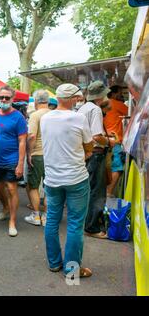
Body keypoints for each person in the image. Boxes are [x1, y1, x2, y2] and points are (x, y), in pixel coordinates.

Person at [41, 83, 94, 278]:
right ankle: (72, 270)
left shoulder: (45, 118)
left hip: (52, 179)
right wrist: (83, 153)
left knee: (52, 221)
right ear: (72, 98)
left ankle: (55, 263)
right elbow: (89, 146)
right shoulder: (78, 117)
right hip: (76, 179)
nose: (79, 101)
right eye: (77, 98)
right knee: (75, 224)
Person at [78, 81, 113, 239]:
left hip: (86, 153)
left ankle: (87, 223)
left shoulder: (83, 108)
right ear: (101, 95)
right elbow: (96, 136)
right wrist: (110, 141)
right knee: (97, 192)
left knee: (89, 189)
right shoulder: (95, 109)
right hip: (96, 153)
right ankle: (91, 227)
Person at [0, 85, 27, 237]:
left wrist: (20, 163)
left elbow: (22, 141)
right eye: (1, 97)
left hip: (12, 159)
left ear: (12, 99)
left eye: (7, 97)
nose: (4, 100)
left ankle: (12, 221)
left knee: (11, 189)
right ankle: (5, 207)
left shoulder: (18, 117)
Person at [24, 90, 50, 226]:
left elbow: (32, 136)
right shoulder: (54, 114)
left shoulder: (35, 115)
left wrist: (29, 154)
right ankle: (46, 217)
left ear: (35, 101)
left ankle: (36, 216)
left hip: (38, 154)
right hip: (52, 155)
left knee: (33, 186)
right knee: (49, 187)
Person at [103, 85, 128, 197]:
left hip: (105, 139)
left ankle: (105, 192)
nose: (121, 95)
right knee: (117, 167)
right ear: (113, 94)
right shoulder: (116, 104)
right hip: (115, 139)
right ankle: (109, 192)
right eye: (120, 92)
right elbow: (132, 112)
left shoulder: (103, 104)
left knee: (107, 167)